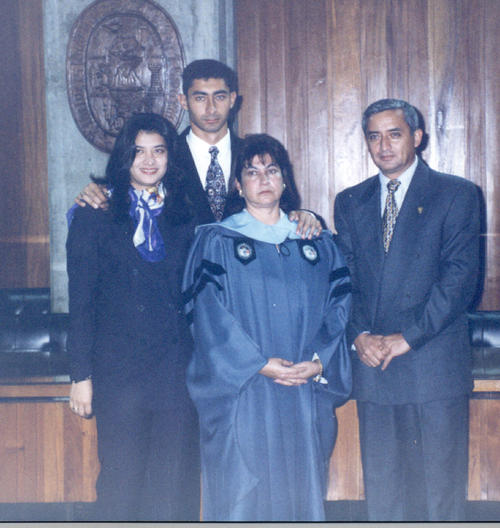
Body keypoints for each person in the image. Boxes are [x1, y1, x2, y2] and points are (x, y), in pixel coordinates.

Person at [182, 133, 352, 521]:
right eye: (252, 171)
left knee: (301, 490)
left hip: (303, 387)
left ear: (284, 180)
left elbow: (339, 308)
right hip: (245, 388)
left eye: (272, 170)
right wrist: (257, 363)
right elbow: (208, 314)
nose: (263, 179)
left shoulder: (318, 243)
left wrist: (319, 361)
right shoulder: (217, 241)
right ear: (238, 185)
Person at [333, 98, 481, 521]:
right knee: (384, 496)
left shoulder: (456, 194)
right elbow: (345, 279)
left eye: (394, 134)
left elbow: (458, 282)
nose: (383, 146)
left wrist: (407, 338)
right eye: (374, 136)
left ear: (416, 137)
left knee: (440, 497)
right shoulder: (351, 201)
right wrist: (358, 335)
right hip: (374, 364)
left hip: (430, 363)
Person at [66, 113, 200, 521]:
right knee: (121, 485)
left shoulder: (187, 216)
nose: (148, 160)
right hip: (118, 374)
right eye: (138, 150)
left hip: (175, 374)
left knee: (173, 485)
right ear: (124, 156)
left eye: (158, 150)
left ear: (169, 158)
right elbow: (81, 299)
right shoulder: (95, 212)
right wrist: (80, 376)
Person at [76, 59, 322, 236]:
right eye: (200, 97)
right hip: (182, 290)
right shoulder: (163, 156)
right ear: (183, 101)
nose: (211, 108)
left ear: (233, 99)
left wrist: (306, 216)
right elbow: (125, 192)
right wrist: (97, 191)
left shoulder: (254, 156)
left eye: (220, 96)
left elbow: (284, 208)